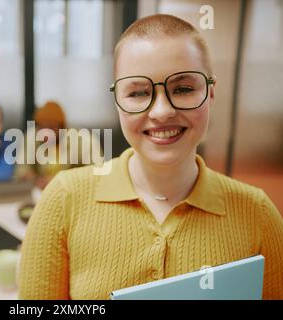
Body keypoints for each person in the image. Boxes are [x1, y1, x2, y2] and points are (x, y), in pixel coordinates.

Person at [18, 14, 283, 299]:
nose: (161, 112)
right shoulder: (63, 199)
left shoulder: (258, 213)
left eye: (183, 89)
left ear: (210, 92)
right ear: (117, 100)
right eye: (138, 93)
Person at [15, 100, 103, 190]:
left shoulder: (84, 140)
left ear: (62, 127)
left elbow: (97, 173)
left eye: (51, 127)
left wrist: (62, 180)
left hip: (76, 192)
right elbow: (21, 171)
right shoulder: (32, 136)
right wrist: (37, 179)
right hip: (43, 195)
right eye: (41, 127)